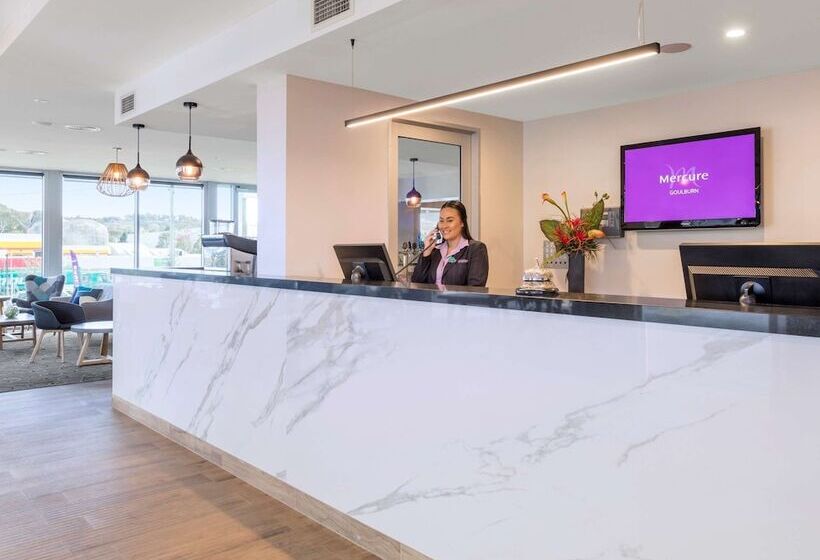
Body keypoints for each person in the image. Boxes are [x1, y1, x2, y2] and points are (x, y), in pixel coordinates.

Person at [411, 200, 489, 287]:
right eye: (441, 221)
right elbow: (416, 284)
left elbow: (475, 289)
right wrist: (427, 252)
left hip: (457, 297)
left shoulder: (476, 249)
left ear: (462, 222)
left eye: (450, 220)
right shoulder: (435, 251)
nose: (444, 226)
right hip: (431, 296)